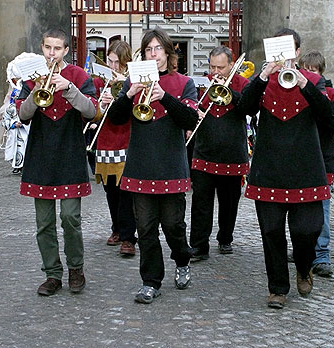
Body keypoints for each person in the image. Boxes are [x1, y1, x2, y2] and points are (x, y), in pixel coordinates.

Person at [236, 28, 333, 309]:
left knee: (308, 231)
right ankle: (277, 287)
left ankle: (304, 268)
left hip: (306, 170)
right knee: (271, 232)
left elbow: (329, 120)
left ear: (298, 52)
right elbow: (243, 108)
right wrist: (264, 75)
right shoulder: (263, 82)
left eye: (289, 49)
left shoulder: (315, 81)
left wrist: (304, 83)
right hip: (269, 169)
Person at [107, 28, 198, 304]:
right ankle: (150, 281)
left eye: (158, 49)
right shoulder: (132, 81)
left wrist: (164, 97)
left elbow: (190, 120)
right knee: (145, 229)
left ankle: (182, 260)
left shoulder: (184, 83)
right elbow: (116, 119)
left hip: (171, 165)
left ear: (168, 53)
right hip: (140, 165)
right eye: (148, 49)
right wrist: (128, 93)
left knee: (174, 227)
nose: (153, 54)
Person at [16, 28, 97, 297]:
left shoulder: (78, 76)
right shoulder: (31, 76)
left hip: (70, 154)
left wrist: (69, 89)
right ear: (42, 47)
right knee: (44, 223)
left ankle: (76, 268)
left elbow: (92, 111)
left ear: (66, 51)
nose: (51, 53)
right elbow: (23, 115)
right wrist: (35, 91)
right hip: (40, 156)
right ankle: (52, 274)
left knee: (70, 217)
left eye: (57, 49)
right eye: (47, 48)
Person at [188, 46, 249, 261]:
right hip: (204, 150)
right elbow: (191, 107)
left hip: (232, 152)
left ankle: (225, 238)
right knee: (201, 202)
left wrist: (230, 92)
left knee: (229, 201)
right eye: (212, 67)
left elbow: (248, 109)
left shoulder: (243, 84)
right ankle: (198, 245)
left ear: (231, 65)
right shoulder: (202, 83)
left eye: (220, 68)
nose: (216, 72)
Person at [296, 51, 334, 278]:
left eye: (313, 71)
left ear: (320, 72)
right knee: (296, 210)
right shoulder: (294, 90)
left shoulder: (333, 95)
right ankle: (302, 249)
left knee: (322, 211)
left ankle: (322, 254)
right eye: (304, 70)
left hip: (322, 160)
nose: (308, 75)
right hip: (299, 159)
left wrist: (319, 103)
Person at [90, 40, 137, 256]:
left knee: (126, 190)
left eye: (117, 62)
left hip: (126, 138)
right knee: (110, 189)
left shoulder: (132, 81)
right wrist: (102, 103)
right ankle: (116, 228)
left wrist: (121, 95)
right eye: (110, 61)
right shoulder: (100, 82)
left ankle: (129, 236)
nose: (113, 66)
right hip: (106, 138)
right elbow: (95, 112)